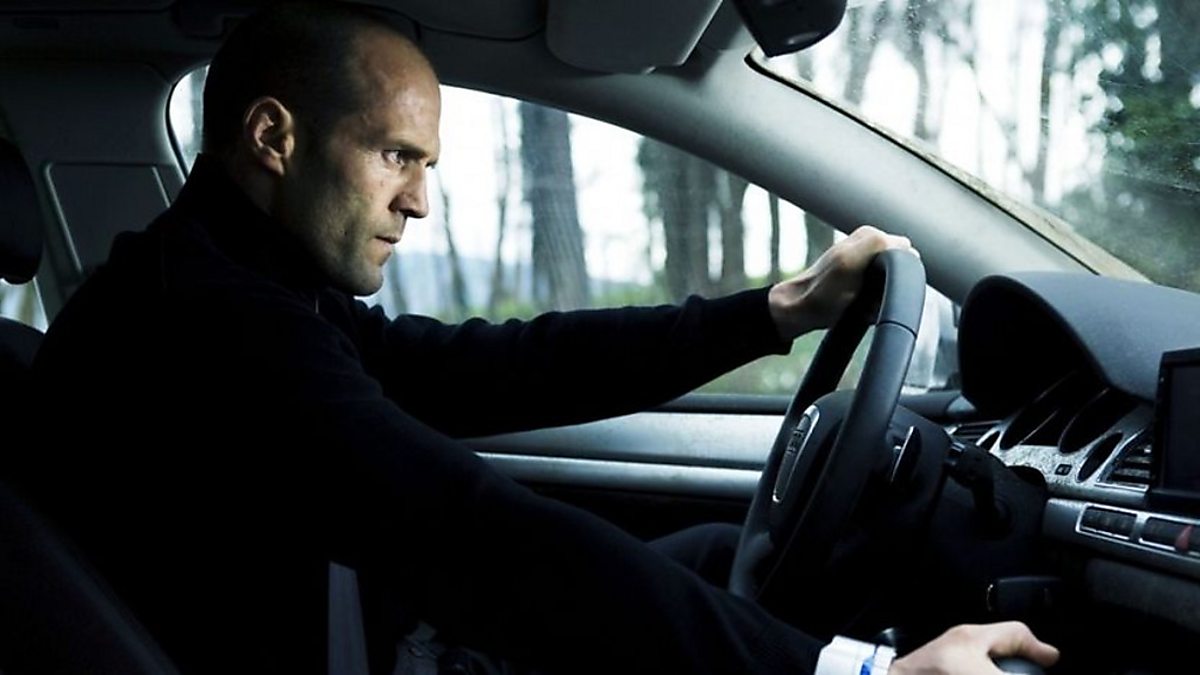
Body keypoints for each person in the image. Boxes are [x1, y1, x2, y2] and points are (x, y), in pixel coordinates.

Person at [26, 2, 1059, 674]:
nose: (418, 202)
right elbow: (473, 529)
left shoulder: (248, 286)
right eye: (395, 156)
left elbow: (492, 367)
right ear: (272, 138)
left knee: (714, 556)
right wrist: (859, 670)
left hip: (356, 638)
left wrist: (772, 314)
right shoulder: (206, 324)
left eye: (425, 166)